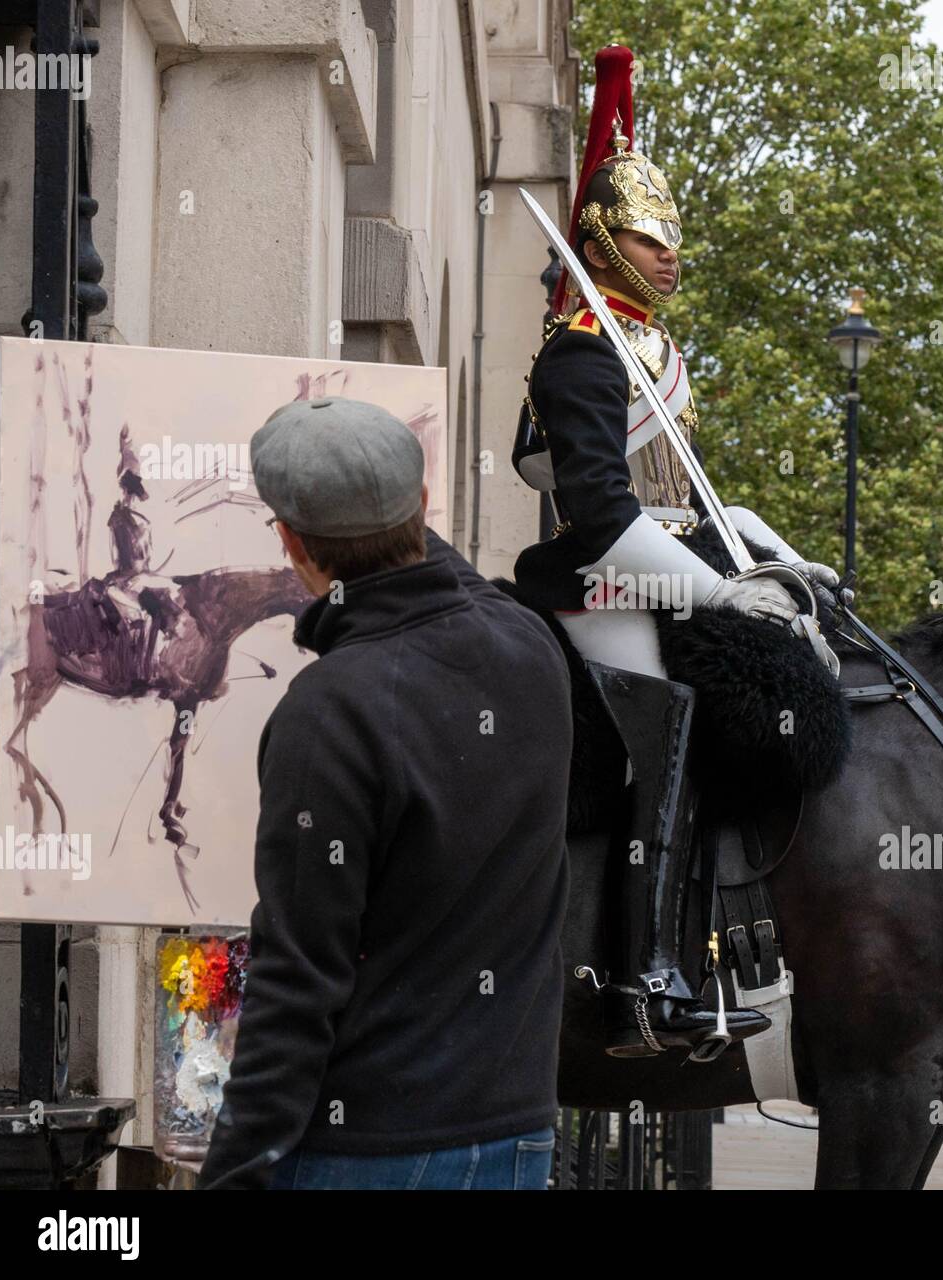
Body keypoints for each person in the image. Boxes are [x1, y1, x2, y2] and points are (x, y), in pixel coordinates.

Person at [510, 45, 839, 1060]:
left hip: (651, 565)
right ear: (603, 240)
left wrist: (771, 553)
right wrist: (722, 593)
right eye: (651, 238)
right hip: (599, 579)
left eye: (673, 238)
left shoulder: (649, 348)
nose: (670, 253)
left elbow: (686, 494)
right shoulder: (579, 350)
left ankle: (704, 953)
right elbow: (600, 509)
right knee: (674, 727)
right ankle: (641, 980)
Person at [198, 397, 572, 1190]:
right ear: (425, 507)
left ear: (291, 543)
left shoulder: (330, 710)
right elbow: (450, 583)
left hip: (370, 1150)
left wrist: (236, 1174)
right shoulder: (529, 645)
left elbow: (298, 978)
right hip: (518, 1132)